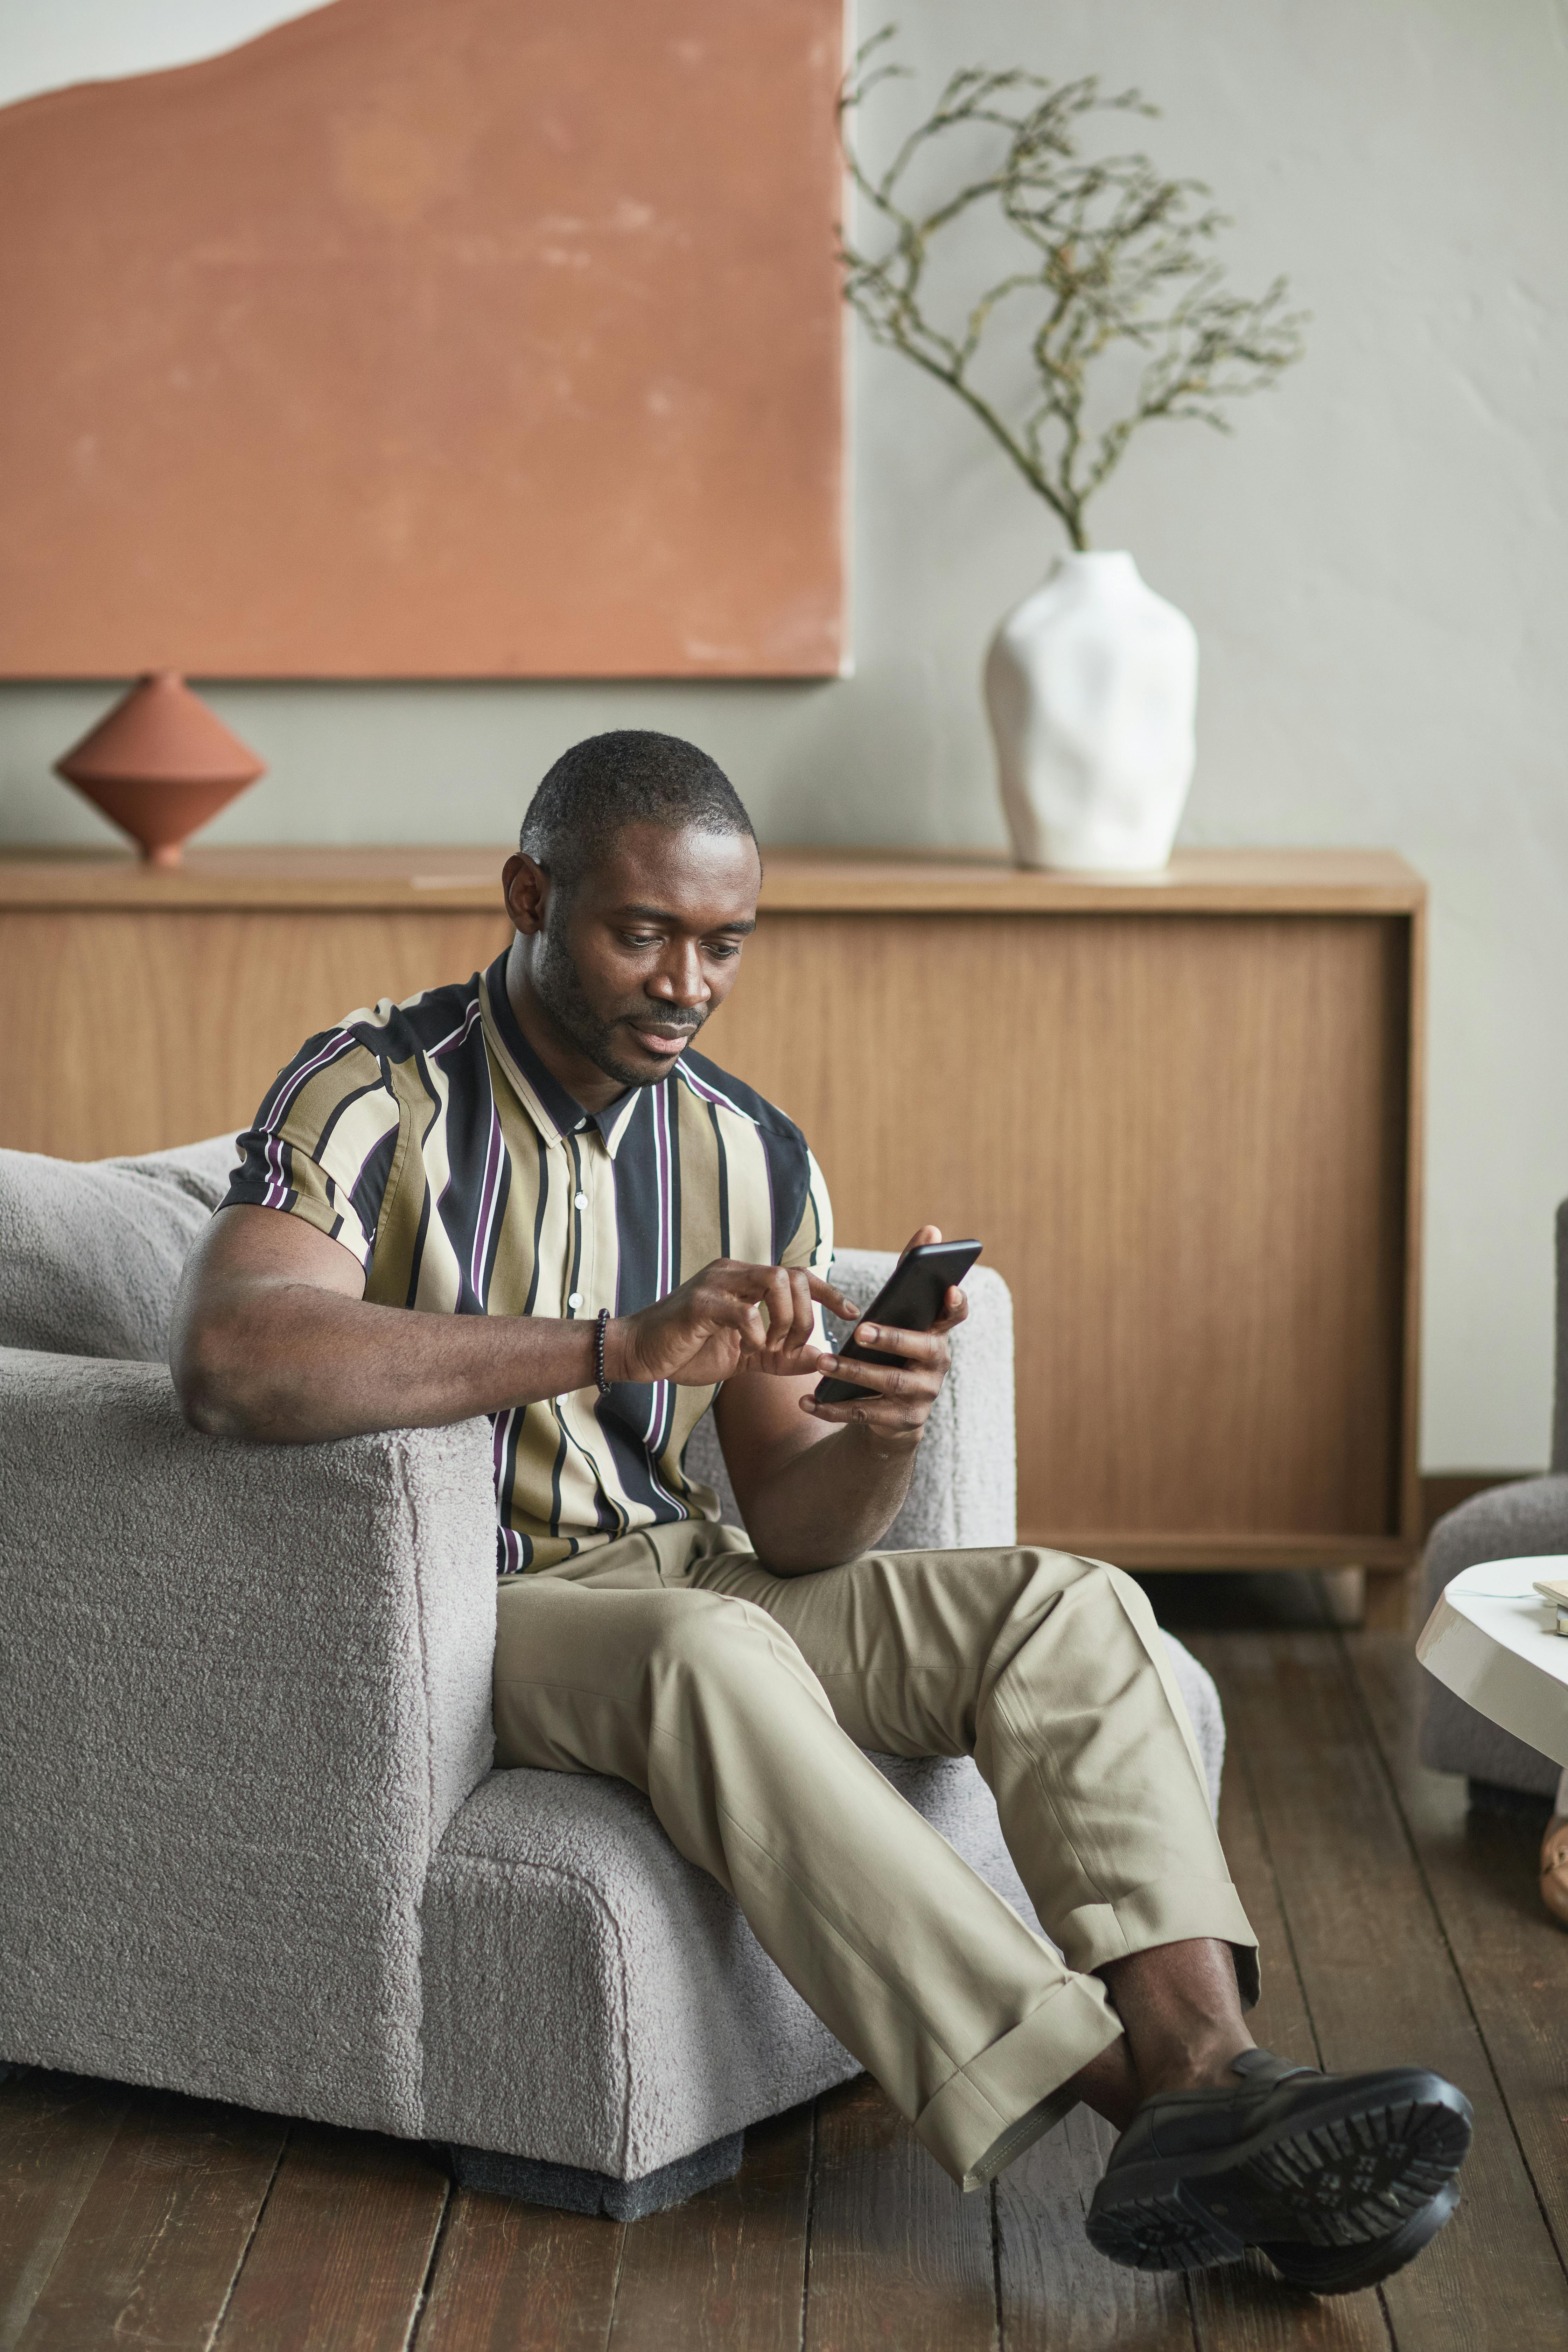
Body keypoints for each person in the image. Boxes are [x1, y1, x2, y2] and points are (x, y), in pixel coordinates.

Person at [171, 729, 1471, 2292]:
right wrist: (611, 1343)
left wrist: (883, 1428)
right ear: (529, 894)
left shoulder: (745, 1146)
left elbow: (794, 1528)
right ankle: (1128, 2100)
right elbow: (234, 1357)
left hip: (696, 1567)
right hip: (481, 1611)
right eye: (639, 931)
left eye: (723, 943)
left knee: (1069, 1601)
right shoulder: (373, 1089)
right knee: (707, 1660)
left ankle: (1213, 2073)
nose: (685, 982)